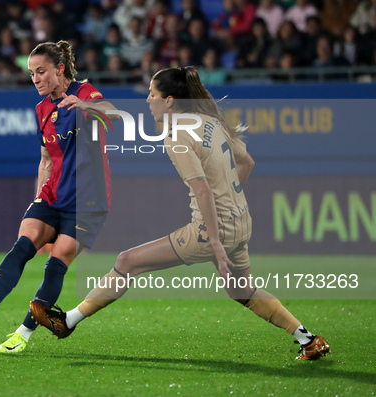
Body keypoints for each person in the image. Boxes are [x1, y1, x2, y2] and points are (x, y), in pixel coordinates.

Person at [30, 66, 331, 362]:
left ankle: (67, 321)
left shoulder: (177, 136)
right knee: (242, 290)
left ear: (170, 100)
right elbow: (247, 162)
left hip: (210, 231)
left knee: (127, 261)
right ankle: (308, 339)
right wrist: (229, 201)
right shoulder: (211, 122)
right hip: (241, 220)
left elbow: (203, 191)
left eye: (152, 94)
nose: (148, 100)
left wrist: (214, 240)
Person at [0, 40, 117, 354]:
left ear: (60, 69)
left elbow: (114, 116)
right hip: (52, 193)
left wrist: (85, 106)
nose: (35, 79)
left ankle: (22, 334)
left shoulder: (84, 92)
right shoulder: (41, 109)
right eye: (31, 73)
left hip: (88, 200)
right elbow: (47, 159)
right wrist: (38, 196)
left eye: (41, 72)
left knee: (57, 260)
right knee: (24, 244)